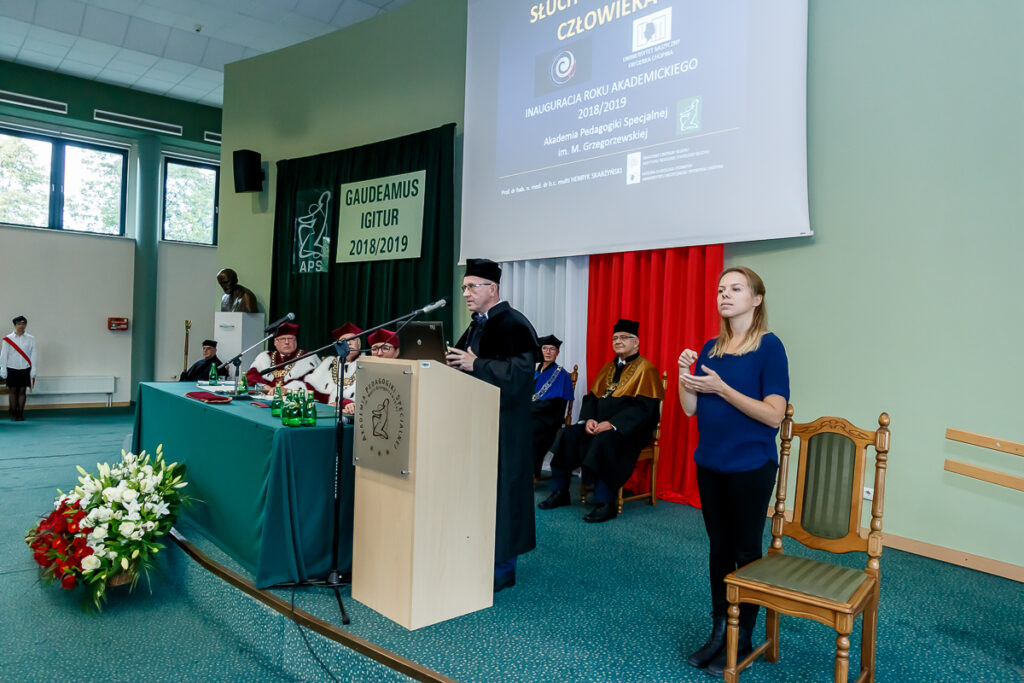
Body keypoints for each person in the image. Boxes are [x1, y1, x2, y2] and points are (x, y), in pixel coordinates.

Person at [677, 266, 789, 676]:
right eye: (721, 289)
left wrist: (723, 389)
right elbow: (689, 409)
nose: (724, 295)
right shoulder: (710, 347)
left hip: (750, 466)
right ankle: (719, 629)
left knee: (746, 552)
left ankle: (743, 638)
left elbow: (774, 416)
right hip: (711, 464)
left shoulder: (770, 348)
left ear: (756, 299)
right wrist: (684, 377)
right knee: (718, 550)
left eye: (735, 288)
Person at [446, 258, 540, 592]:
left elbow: (521, 376)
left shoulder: (514, 324)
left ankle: (503, 568)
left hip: (506, 428)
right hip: (477, 425)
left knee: (504, 494)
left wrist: (477, 364)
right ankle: (476, 553)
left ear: (493, 288)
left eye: (471, 286)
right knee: (479, 492)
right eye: (464, 287)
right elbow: (463, 362)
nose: (466, 293)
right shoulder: (476, 325)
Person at [538, 319, 663, 523]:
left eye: (624, 337)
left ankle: (606, 502)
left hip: (628, 430)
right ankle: (560, 491)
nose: (618, 341)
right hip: (598, 425)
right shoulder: (608, 368)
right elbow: (592, 398)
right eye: (615, 338)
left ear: (636, 342)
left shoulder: (646, 369)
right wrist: (588, 419)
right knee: (567, 434)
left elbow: (645, 410)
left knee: (606, 441)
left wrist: (613, 424)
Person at [530, 334, 575, 480]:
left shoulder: (561, 375)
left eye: (552, 349)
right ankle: (517, 470)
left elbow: (554, 404)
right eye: (544, 348)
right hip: (533, 415)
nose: (548, 352)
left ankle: (531, 473)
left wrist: (527, 410)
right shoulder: (534, 372)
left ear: (557, 353)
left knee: (531, 431)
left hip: (549, 419)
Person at [245, 322, 319, 392]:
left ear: (295, 341)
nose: (287, 342)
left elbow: (315, 383)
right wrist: (264, 386)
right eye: (283, 339)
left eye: (290, 338)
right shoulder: (265, 357)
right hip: (267, 397)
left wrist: (288, 389)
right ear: (275, 342)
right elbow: (251, 376)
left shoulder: (308, 357)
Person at [307, 322, 362, 413]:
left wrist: (342, 403)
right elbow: (314, 391)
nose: (348, 343)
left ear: (359, 344)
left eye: (352, 340)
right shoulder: (329, 363)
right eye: (344, 340)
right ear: (338, 346)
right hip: (328, 411)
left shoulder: (367, 365)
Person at [1, 316, 37, 421]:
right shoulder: (8, 339)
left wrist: (33, 369)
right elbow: (4, 355)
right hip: (11, 368)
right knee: (13, 391)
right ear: (15, 325)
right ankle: (13, 412)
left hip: (24, 368)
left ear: (25, 325)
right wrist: (3, 369)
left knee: (22, 391)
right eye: (19, 324)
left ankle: (20, 413)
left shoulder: (31, 338)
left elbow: (33, 354)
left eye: (23, 323)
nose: (21, 326)